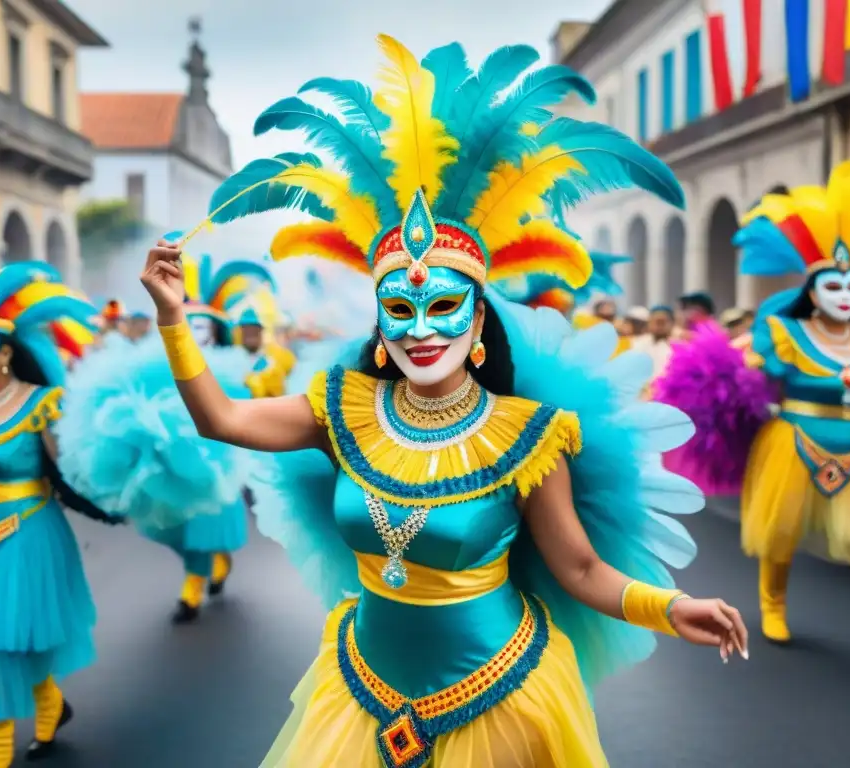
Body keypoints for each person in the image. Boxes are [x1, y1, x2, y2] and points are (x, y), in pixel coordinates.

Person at [144, 35, 748, 767]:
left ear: (479, 319)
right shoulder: (345, 409)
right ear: (378, 322)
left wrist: (670, 606)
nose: (422, 329)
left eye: (444, 307)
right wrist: (174, 319)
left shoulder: (530, 435)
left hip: (496, 700)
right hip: (362, 694)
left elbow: (581, 569)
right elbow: (224, 418)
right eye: (399, 308)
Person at [656, 162, 850, 677]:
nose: (844, 294)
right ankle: (771, 605)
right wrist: (724, 378)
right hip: (792, 442)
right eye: (833, 284)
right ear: (812, 290)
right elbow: (744, 376)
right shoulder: (785, 334)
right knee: (780, 531)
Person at [0, 261, 124, 767]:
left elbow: (71, 475)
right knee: (11, 637)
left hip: (24, 536)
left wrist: (119, 499)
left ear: (6, 353)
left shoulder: (42, 404)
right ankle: (50, 706)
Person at [59, 252, 279, 624]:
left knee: (206, 522)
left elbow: (251, 415)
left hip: (219, 460)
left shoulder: (238, 371)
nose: (196, 336)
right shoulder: (163, 369)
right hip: (175, 463)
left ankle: (194, 584)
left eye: (203, 330)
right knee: (172, 526)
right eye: (189, 328)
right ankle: (214, 560)